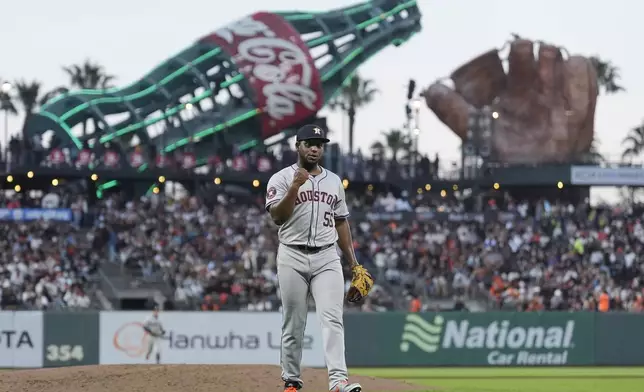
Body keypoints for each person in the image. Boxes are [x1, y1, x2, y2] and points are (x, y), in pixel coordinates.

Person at [265, 124, 371, 392]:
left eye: (319, 144)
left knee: (333, 319)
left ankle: (338, 381)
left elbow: (341, 223)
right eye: (309, 143)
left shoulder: (334, 181)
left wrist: (354, 264)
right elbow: (277, 217)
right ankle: (291, 380)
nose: (314, 148)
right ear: (297, 146)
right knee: (294, 320)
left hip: (327, 257)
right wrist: (294, 187)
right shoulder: (280, 178)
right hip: (292, 255)